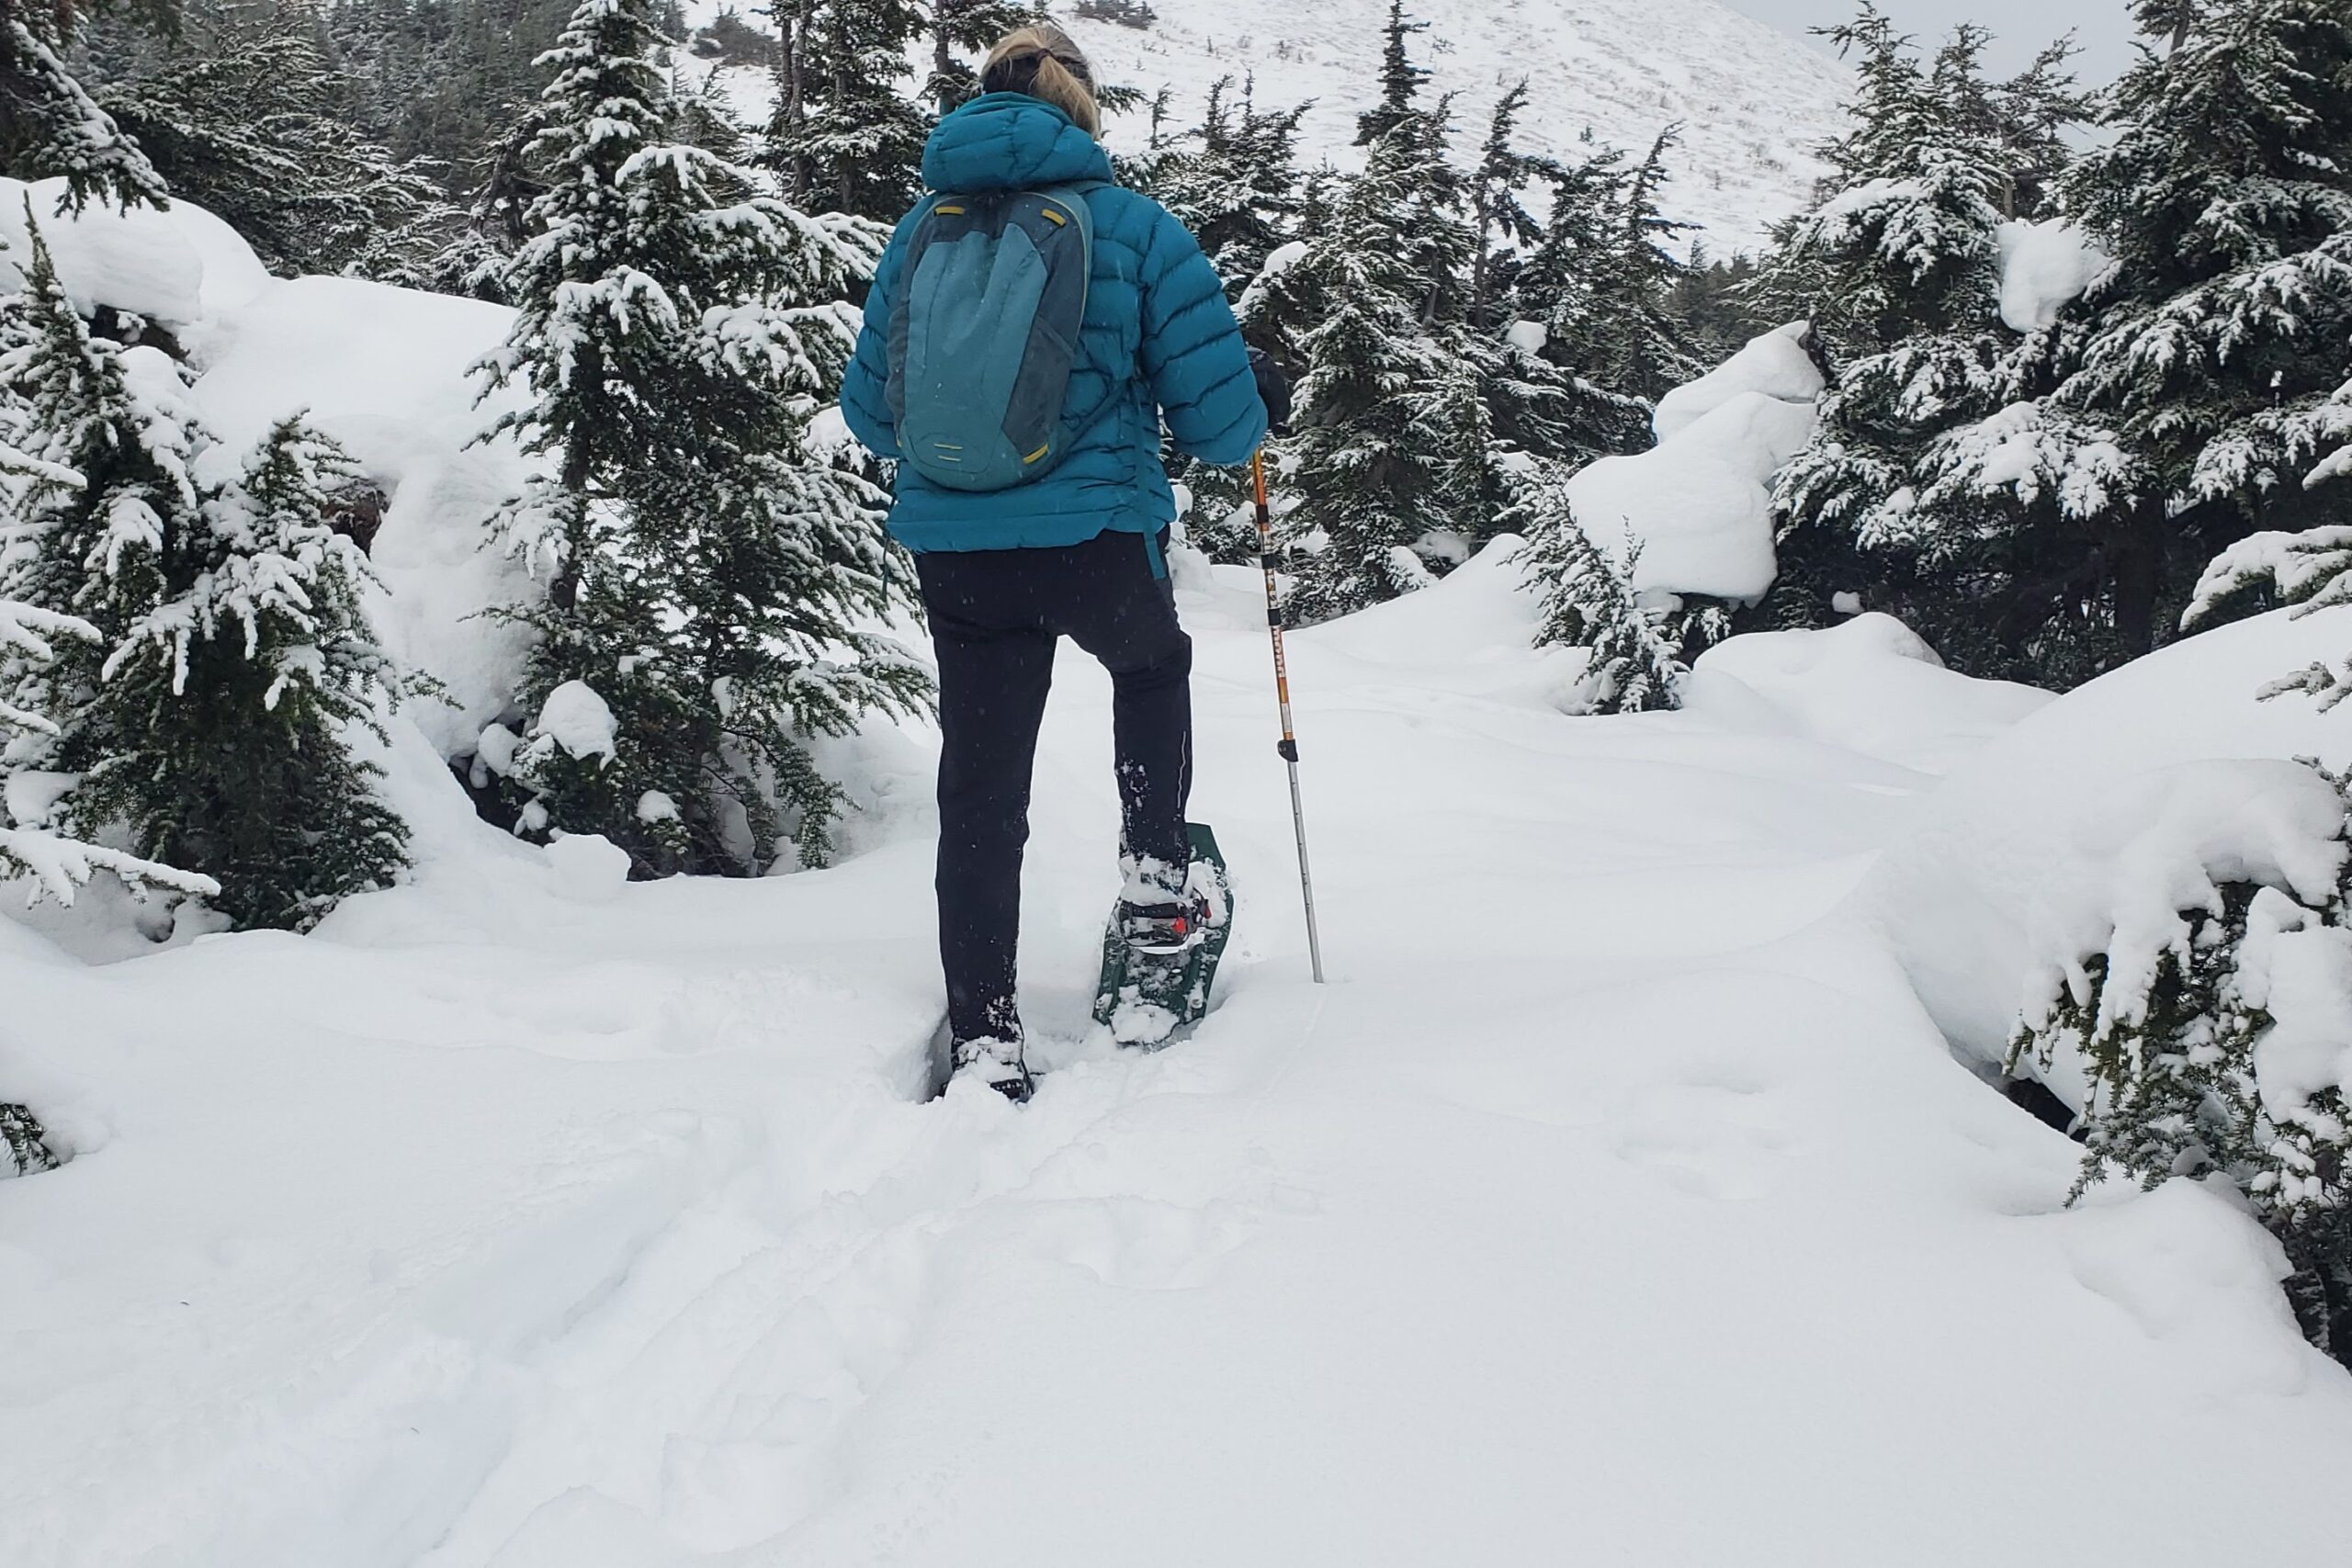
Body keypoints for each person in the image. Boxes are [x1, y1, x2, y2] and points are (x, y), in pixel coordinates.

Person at [841, 25, 1277, 1102]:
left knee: (983, 787)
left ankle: (986, 1034)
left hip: (960, 559)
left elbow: (870, 414)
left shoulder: (919, 233)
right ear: (1082, 106)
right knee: (1148, 667)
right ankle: (1154, 886)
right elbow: (1222, 431)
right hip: (1094, 543)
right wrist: (1245, 393)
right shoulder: (1133, 227)